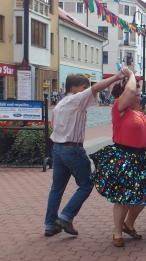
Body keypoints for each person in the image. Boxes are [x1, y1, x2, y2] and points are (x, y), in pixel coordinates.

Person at [89, 67, 146, 247]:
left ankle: (128, 224)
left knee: (145, 194)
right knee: (122, 198)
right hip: (123, 157)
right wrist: (132, 75)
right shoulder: (120, 108)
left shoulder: (140, 113)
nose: (140, 97)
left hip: (139, 159)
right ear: (128, 95)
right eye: (138, 94)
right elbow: (131, 89)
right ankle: (117, 233)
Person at [44, 71, 126, 237]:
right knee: (87, 184)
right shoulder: (76, 99)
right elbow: (96, 88)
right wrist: (116, 78)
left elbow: (54, 126)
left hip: (58, 148)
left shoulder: (59, 104)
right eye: (83, 87)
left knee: (57, 188)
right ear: (74, 89)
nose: (87, 90)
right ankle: (66, 217)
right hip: (72, 149)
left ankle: (50, 224)